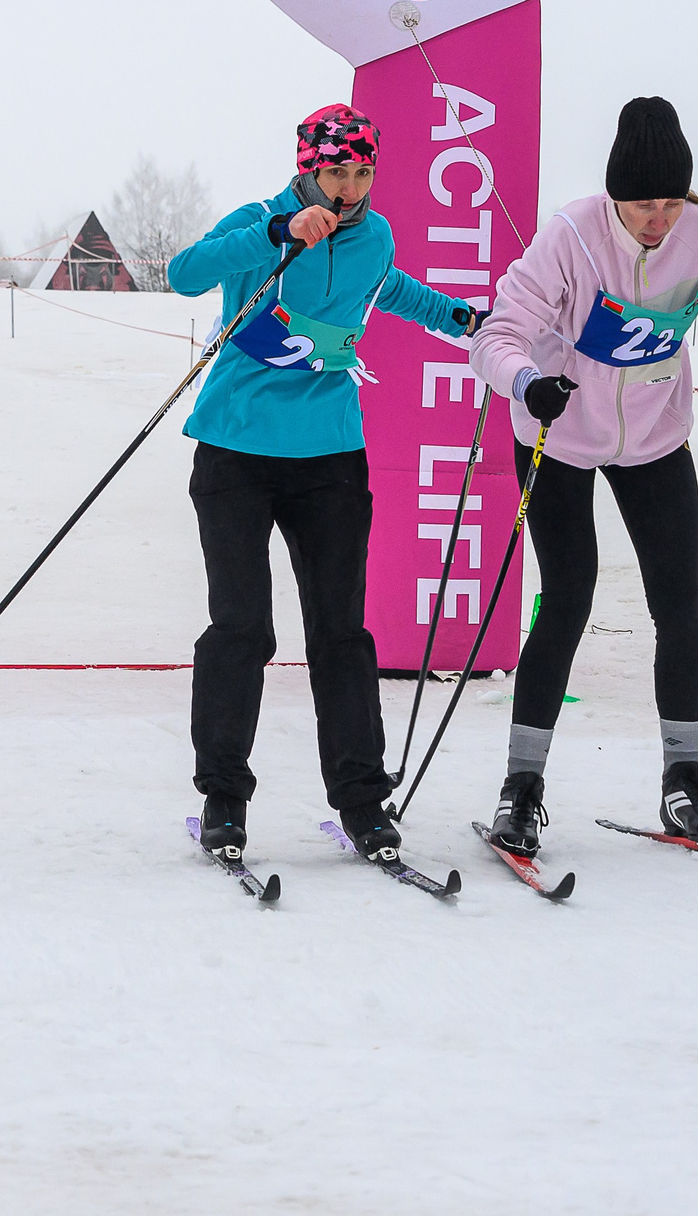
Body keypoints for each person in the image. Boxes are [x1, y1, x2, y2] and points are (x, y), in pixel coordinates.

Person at [467, 97, 698, 855]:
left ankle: (684, 782)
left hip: (657, 439)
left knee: (678, 599)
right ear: (613, 196)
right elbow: (498, 333)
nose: (658, 219)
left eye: (670, 202)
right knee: (568, 596)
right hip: (558, 434)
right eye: (643, 205)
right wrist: (528, 381)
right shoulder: (570, 236)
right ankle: (521, 787)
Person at [167, 105, 485, 864]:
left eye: (363, 170)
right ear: (308, 165)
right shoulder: (264, 219)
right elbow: (186, 273)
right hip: (236, 449)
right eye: (336, 170)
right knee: (242, 626)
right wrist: (277, 233)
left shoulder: (374, 233)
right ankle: (223, 797)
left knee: (341, 632)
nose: (349, 187)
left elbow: (391, 287)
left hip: (330, 455)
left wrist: (463, 318)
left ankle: (363, 803)